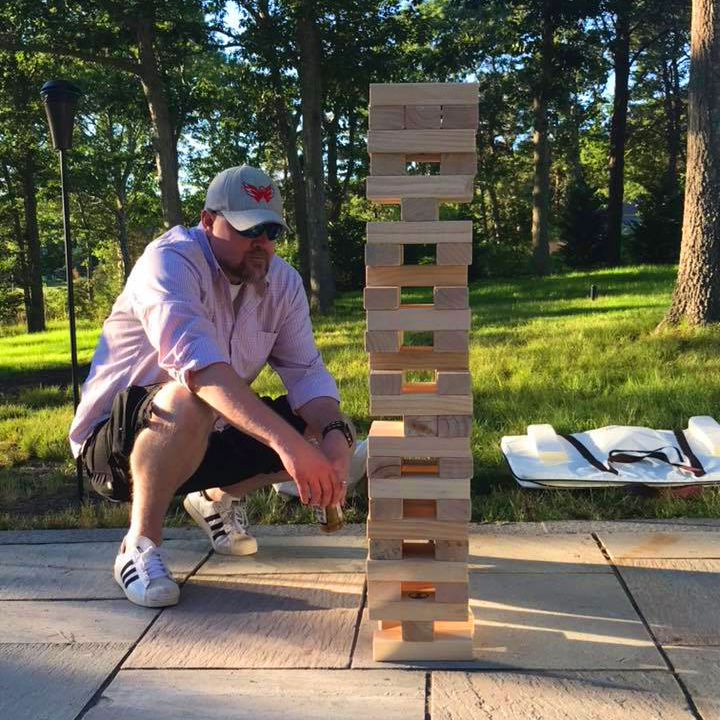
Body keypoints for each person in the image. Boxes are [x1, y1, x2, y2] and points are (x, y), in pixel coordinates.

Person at [69, 165, 357, 608]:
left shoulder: (282, 282)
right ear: (207, 221)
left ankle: (215, 499)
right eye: (246, 229)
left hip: (204, 435)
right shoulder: (169, 262)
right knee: (192, 396)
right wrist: (291, 448)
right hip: (114, 449)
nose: (260, 242)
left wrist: (334, 436)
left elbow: (306, 374)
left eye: (270, 231)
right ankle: (139, 546)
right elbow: (200, 371)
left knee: (323, 425)